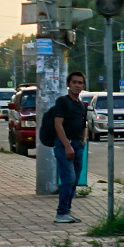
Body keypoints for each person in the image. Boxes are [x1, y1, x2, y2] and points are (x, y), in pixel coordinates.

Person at [43, 71, 90, 224]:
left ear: (83, 85)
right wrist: (67, 146)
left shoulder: (81, 105)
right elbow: (58, 124)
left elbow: (84, 124)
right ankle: (61, 213)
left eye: (80, 83)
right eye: (74, 82)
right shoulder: (62, 101)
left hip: (78, 145)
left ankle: (67, 212)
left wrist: (83, 140)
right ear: (68, 84)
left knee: (74, 180)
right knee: (68, 178)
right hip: (64, 145)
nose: (77, 85)